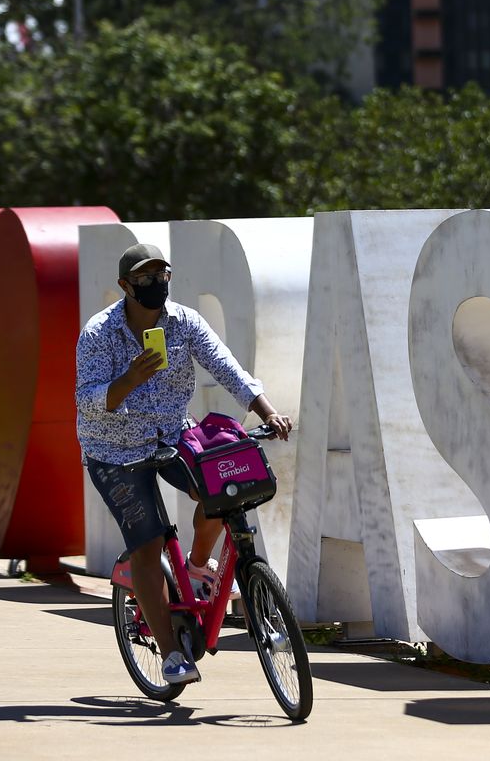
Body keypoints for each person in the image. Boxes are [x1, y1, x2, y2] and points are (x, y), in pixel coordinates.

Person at [75, 243, 293, 685]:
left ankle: (195, 567)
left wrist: (267, 411)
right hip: (114, 451)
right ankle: (173, 656)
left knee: (221, 492)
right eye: (145, 280)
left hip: (172, 434)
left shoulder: (184, 322)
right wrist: (130, 379)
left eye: (162, 276)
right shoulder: (98, 333)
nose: (156, 286)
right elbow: (87, 401)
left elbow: (226, 366)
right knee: (148, 543)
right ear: (125, 286)